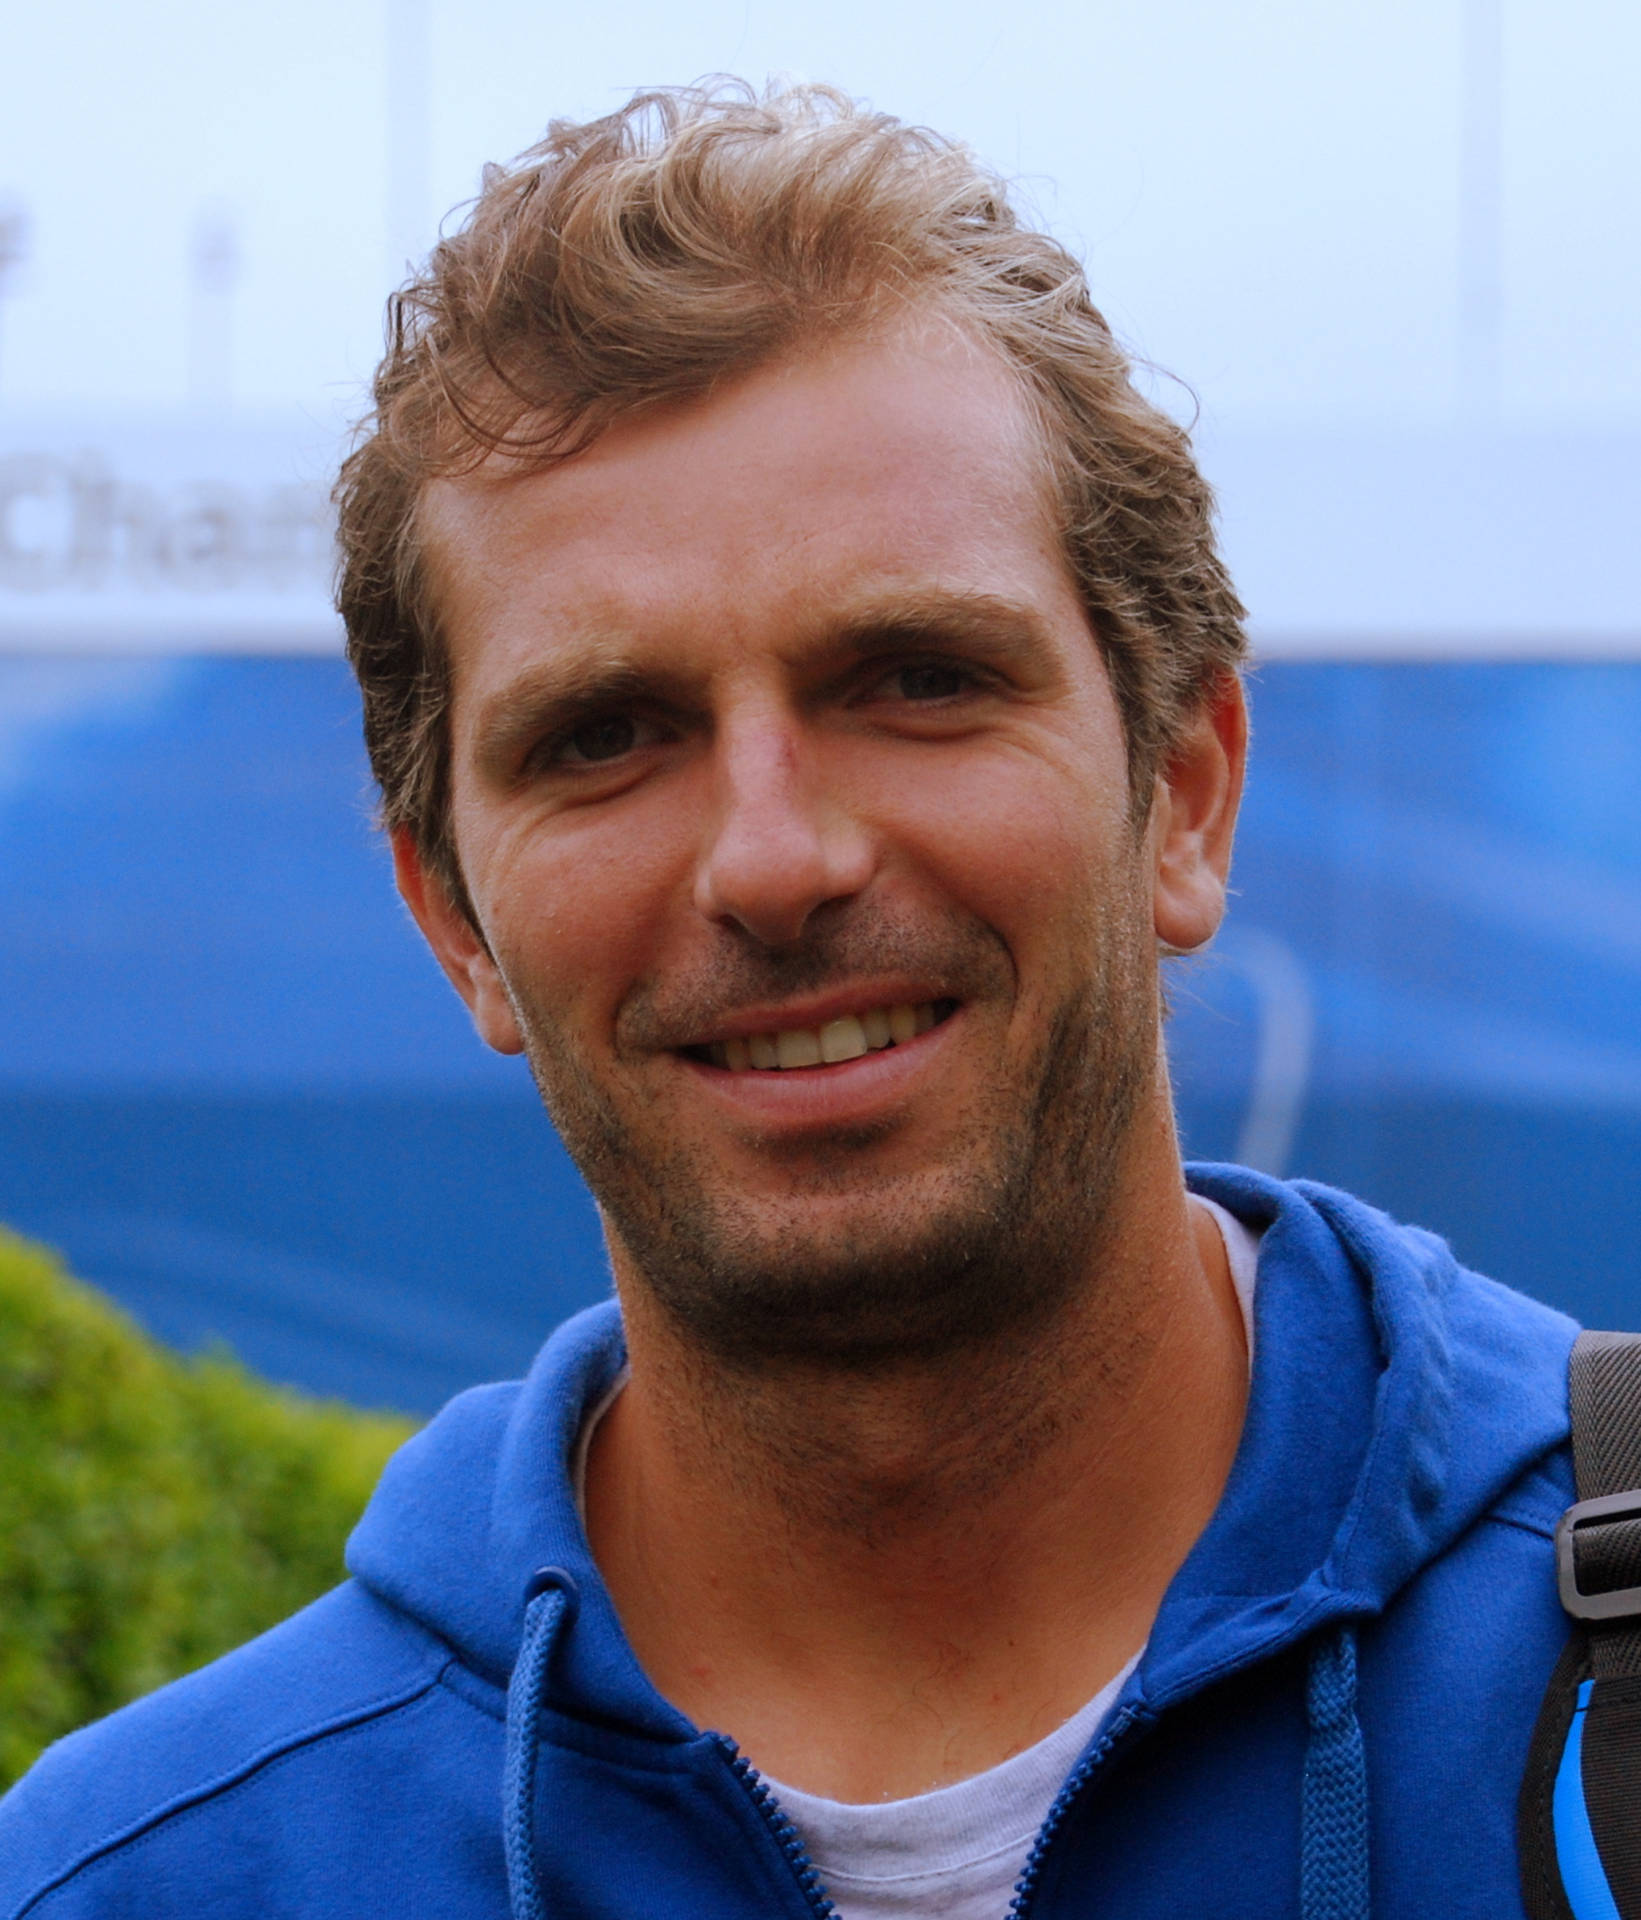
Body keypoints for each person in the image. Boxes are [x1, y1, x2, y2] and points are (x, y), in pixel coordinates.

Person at [0, 82, 1580, 1920]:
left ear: (1187, 792)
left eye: (912, 677)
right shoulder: (152, 1886)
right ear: (454, 923)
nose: (772, 858)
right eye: (606, 738)